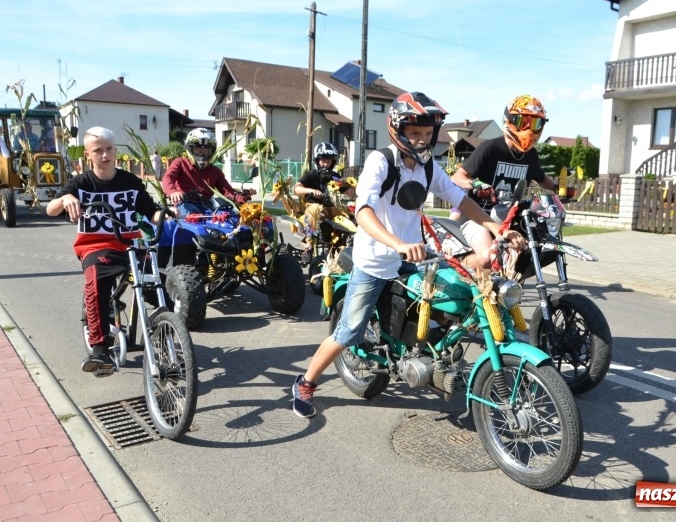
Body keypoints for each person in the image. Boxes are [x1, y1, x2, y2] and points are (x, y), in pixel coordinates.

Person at [290, 91, 526, 418]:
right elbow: (363, 210)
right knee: (349, 331)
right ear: (397, 129)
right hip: (374, 262)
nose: (421, 139)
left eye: (427, 133)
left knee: (455, 297)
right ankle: (305, 383)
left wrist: (497, 228)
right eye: (414, 132)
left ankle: (431, 356)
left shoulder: (428, 167)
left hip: (413, 257)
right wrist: (398, 243)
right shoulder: (381, 161)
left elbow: (459, 198)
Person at [46, 127, 168, 376]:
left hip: (129, 245)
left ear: (115, 151)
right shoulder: (80, 184)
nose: (105, 155)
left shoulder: (130, 182)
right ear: (88, 155)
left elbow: (150, 211)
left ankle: (170, 333)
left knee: (156, 285)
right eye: (98, 150)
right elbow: (51, 210)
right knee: (97, 285)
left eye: (109, 149)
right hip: (95, 246)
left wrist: (165, 214)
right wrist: (65, 199)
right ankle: (100, 350)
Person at [450, 95, 557, 269]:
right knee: (488, 258)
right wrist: (477, 185)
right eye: (523, 122)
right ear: (509, 120)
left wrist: (559, 189)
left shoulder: (531, 155)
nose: (529, 129)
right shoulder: (490, 148)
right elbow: (457, 177)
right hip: (478, 217)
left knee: (526, 253)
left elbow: (542, 179)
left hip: (508, 219)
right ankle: (453, 262)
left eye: (536, 123)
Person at [162, 128, 245, 214]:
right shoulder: (180, 162)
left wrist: (243, 196)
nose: (202, 154)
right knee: (194, 217)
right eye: (198, 150)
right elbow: (168, 177)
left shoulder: (215, 171)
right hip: (185, 204)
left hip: (207, 205)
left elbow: (228, 191)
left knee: (229, 216)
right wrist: (173, 192)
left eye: (206, 151)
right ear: (189, 149)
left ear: (212, 151)